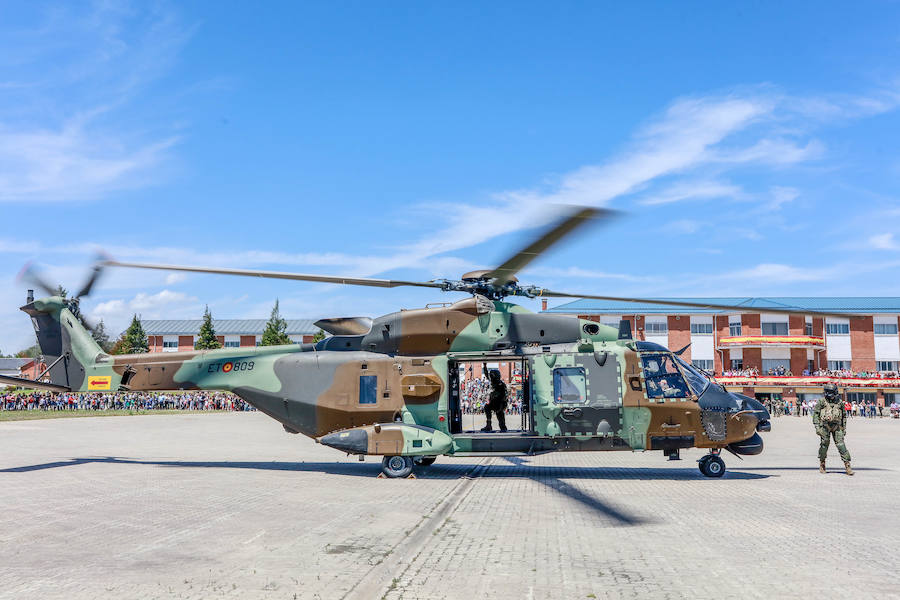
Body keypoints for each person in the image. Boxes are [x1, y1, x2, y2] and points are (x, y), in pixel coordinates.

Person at [812, 383, 853, 476]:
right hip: (825, 426)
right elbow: (816, 415)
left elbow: (843, 416)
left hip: (837, 426)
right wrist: (817, 427)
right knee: (824, 445)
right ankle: (822, 464)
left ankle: (847, 465)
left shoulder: (839, 402)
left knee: (841, 445)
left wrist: (844, 428)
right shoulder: (822, 402)